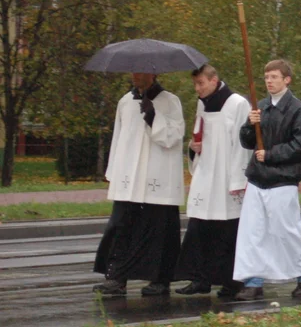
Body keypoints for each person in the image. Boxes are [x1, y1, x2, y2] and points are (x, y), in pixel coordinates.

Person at [233, 60, 301, 301]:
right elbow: (247, 141)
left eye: (274, 76)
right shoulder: (261, 108)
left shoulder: (297, 109)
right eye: (266, 77)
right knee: (252, 232)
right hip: (258, 179)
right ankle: (253, 279)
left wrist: (271, 155)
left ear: (286, 79)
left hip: (282, 180)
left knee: (284, 231)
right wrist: (250, 126)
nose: (269, 81)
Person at [93, 72, 184, 296]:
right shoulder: (125, 101)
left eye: (140, 72)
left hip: (157, 177)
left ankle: (160, 279)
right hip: (129, 176)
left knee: (159, 229)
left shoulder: (170, 101)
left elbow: (174, 136)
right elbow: (118, 137)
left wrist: (154, 117)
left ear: (152, 74)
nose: (136, 76)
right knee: (121, 225)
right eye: (133, 71)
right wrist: (113, 171)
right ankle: (117, 277)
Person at [174, 64, 252, 298]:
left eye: (201, 83)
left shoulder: (237, 103)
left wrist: (239, 178)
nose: (197, 88)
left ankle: (231, 281)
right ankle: (200, 278)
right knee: (200, 227)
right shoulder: (202, 104)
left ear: (214, 80)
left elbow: (242, 143)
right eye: (195, 84)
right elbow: (199, 135)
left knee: (227, 231)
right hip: (207, 171)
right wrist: (194, 147)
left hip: (227, 174)